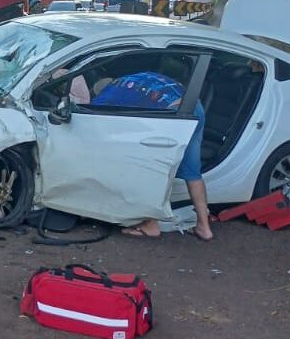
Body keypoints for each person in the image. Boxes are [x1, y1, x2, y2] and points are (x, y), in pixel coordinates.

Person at [90, 70, 214, 241]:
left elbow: (90, 119)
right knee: (192, 171)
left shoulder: (106, 95)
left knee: (154, 168)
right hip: (193, 106)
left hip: (172, 113)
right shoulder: (133, 78)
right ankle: (204, 227)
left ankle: (150, 225)